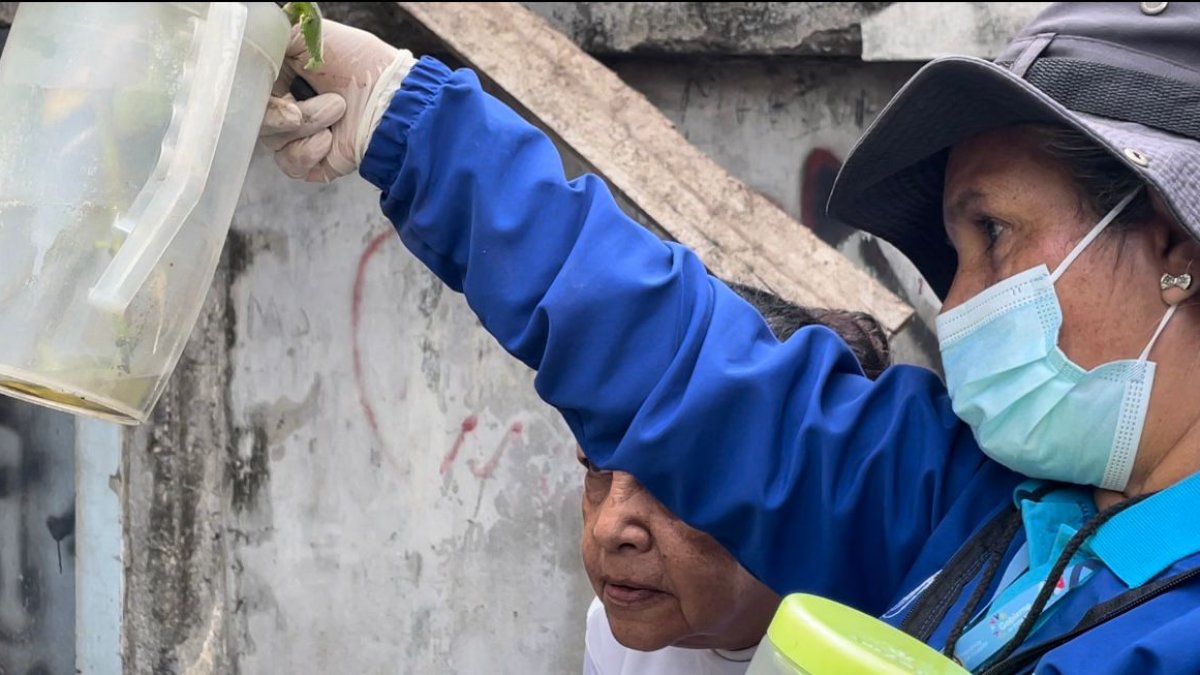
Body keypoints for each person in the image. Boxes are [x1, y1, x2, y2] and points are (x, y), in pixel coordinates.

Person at [260, 3, 1200, 672]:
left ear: (1170, 238)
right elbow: (681, 359)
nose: (960, 304)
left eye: (991, 234)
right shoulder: (985, 511)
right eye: (949, 257)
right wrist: (397, 110)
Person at [579, 285, 891, 675]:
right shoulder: (612, 635)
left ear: (804, 493)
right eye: (595, 466)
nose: (607, 528)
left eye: (677, 477)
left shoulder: (885, 657)